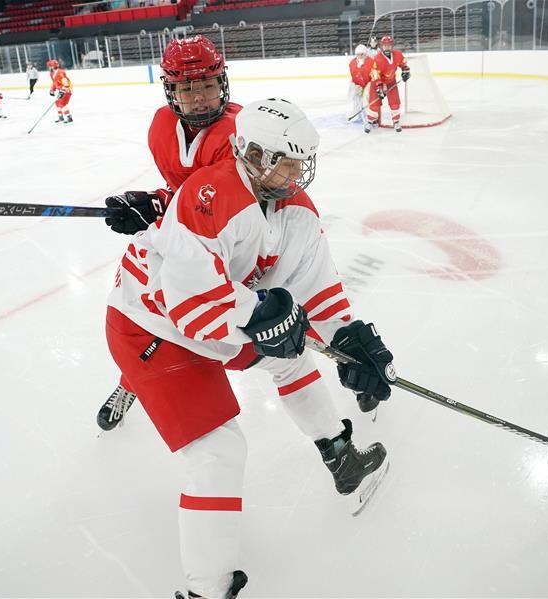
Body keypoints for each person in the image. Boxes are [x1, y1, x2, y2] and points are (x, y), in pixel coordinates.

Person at [105, 97, 394, 598]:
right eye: (288, 162)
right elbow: (191, 308)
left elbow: (318, 289)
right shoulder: (209, 195)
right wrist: (260, 314)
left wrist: (348, 339)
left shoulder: (295, 209)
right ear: (254, 155)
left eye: (303, 161)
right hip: (150, 326)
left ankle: (341, 457)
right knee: (218, 450)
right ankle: (206, 588)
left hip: (217, 317)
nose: (299, 172)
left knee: (293, 356)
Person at [96, 34, 241, 430]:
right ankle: (133, 381)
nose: (199, 98)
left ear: (222, 82)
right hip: (184, 238)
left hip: (234, 244)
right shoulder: (161, 127)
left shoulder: (239, 132)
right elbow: (183, 192)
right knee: (150, 312)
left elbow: (220, 205)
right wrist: (151, 201)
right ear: (170, 90)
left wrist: (160, 207)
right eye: (187, 88)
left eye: (207, 85)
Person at [365, 35, 410, 133]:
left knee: (395, 102)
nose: (387, 47)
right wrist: (379, 86)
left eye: (389, 45)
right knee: (374, 104)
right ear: (382, 46)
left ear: (392, 46)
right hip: (377, 82)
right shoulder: (377, 59)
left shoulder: (398, 55)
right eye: (385, 45)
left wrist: (405, 70)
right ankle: (370, 121)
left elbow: (403, 64)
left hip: (391, 82)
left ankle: (396, 121)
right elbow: (375, 74)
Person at [347, 44, 372, 124]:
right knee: (356, 97)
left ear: (365, 54)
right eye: (358, 54)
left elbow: (370, 74)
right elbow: (354, 75)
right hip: (357, 83)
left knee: (368, 97)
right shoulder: (352, 63)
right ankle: (358, 114)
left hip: (368, 82)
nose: (360, 56)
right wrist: (359, 85)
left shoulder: (370, 61)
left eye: (362, 54)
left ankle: (370, 115)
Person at [47, 59, 73, 123]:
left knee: (62, 103)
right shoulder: (52, 74)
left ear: (52, 66)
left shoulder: (60, 72)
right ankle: (60, 117)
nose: (49, 67)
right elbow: (55, 83)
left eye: (50, 66)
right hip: (62, 90)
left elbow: (66, 84)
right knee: (57, 102)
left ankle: (69, 117)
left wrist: (63, 91)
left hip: (67, 90)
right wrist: (52, 89)